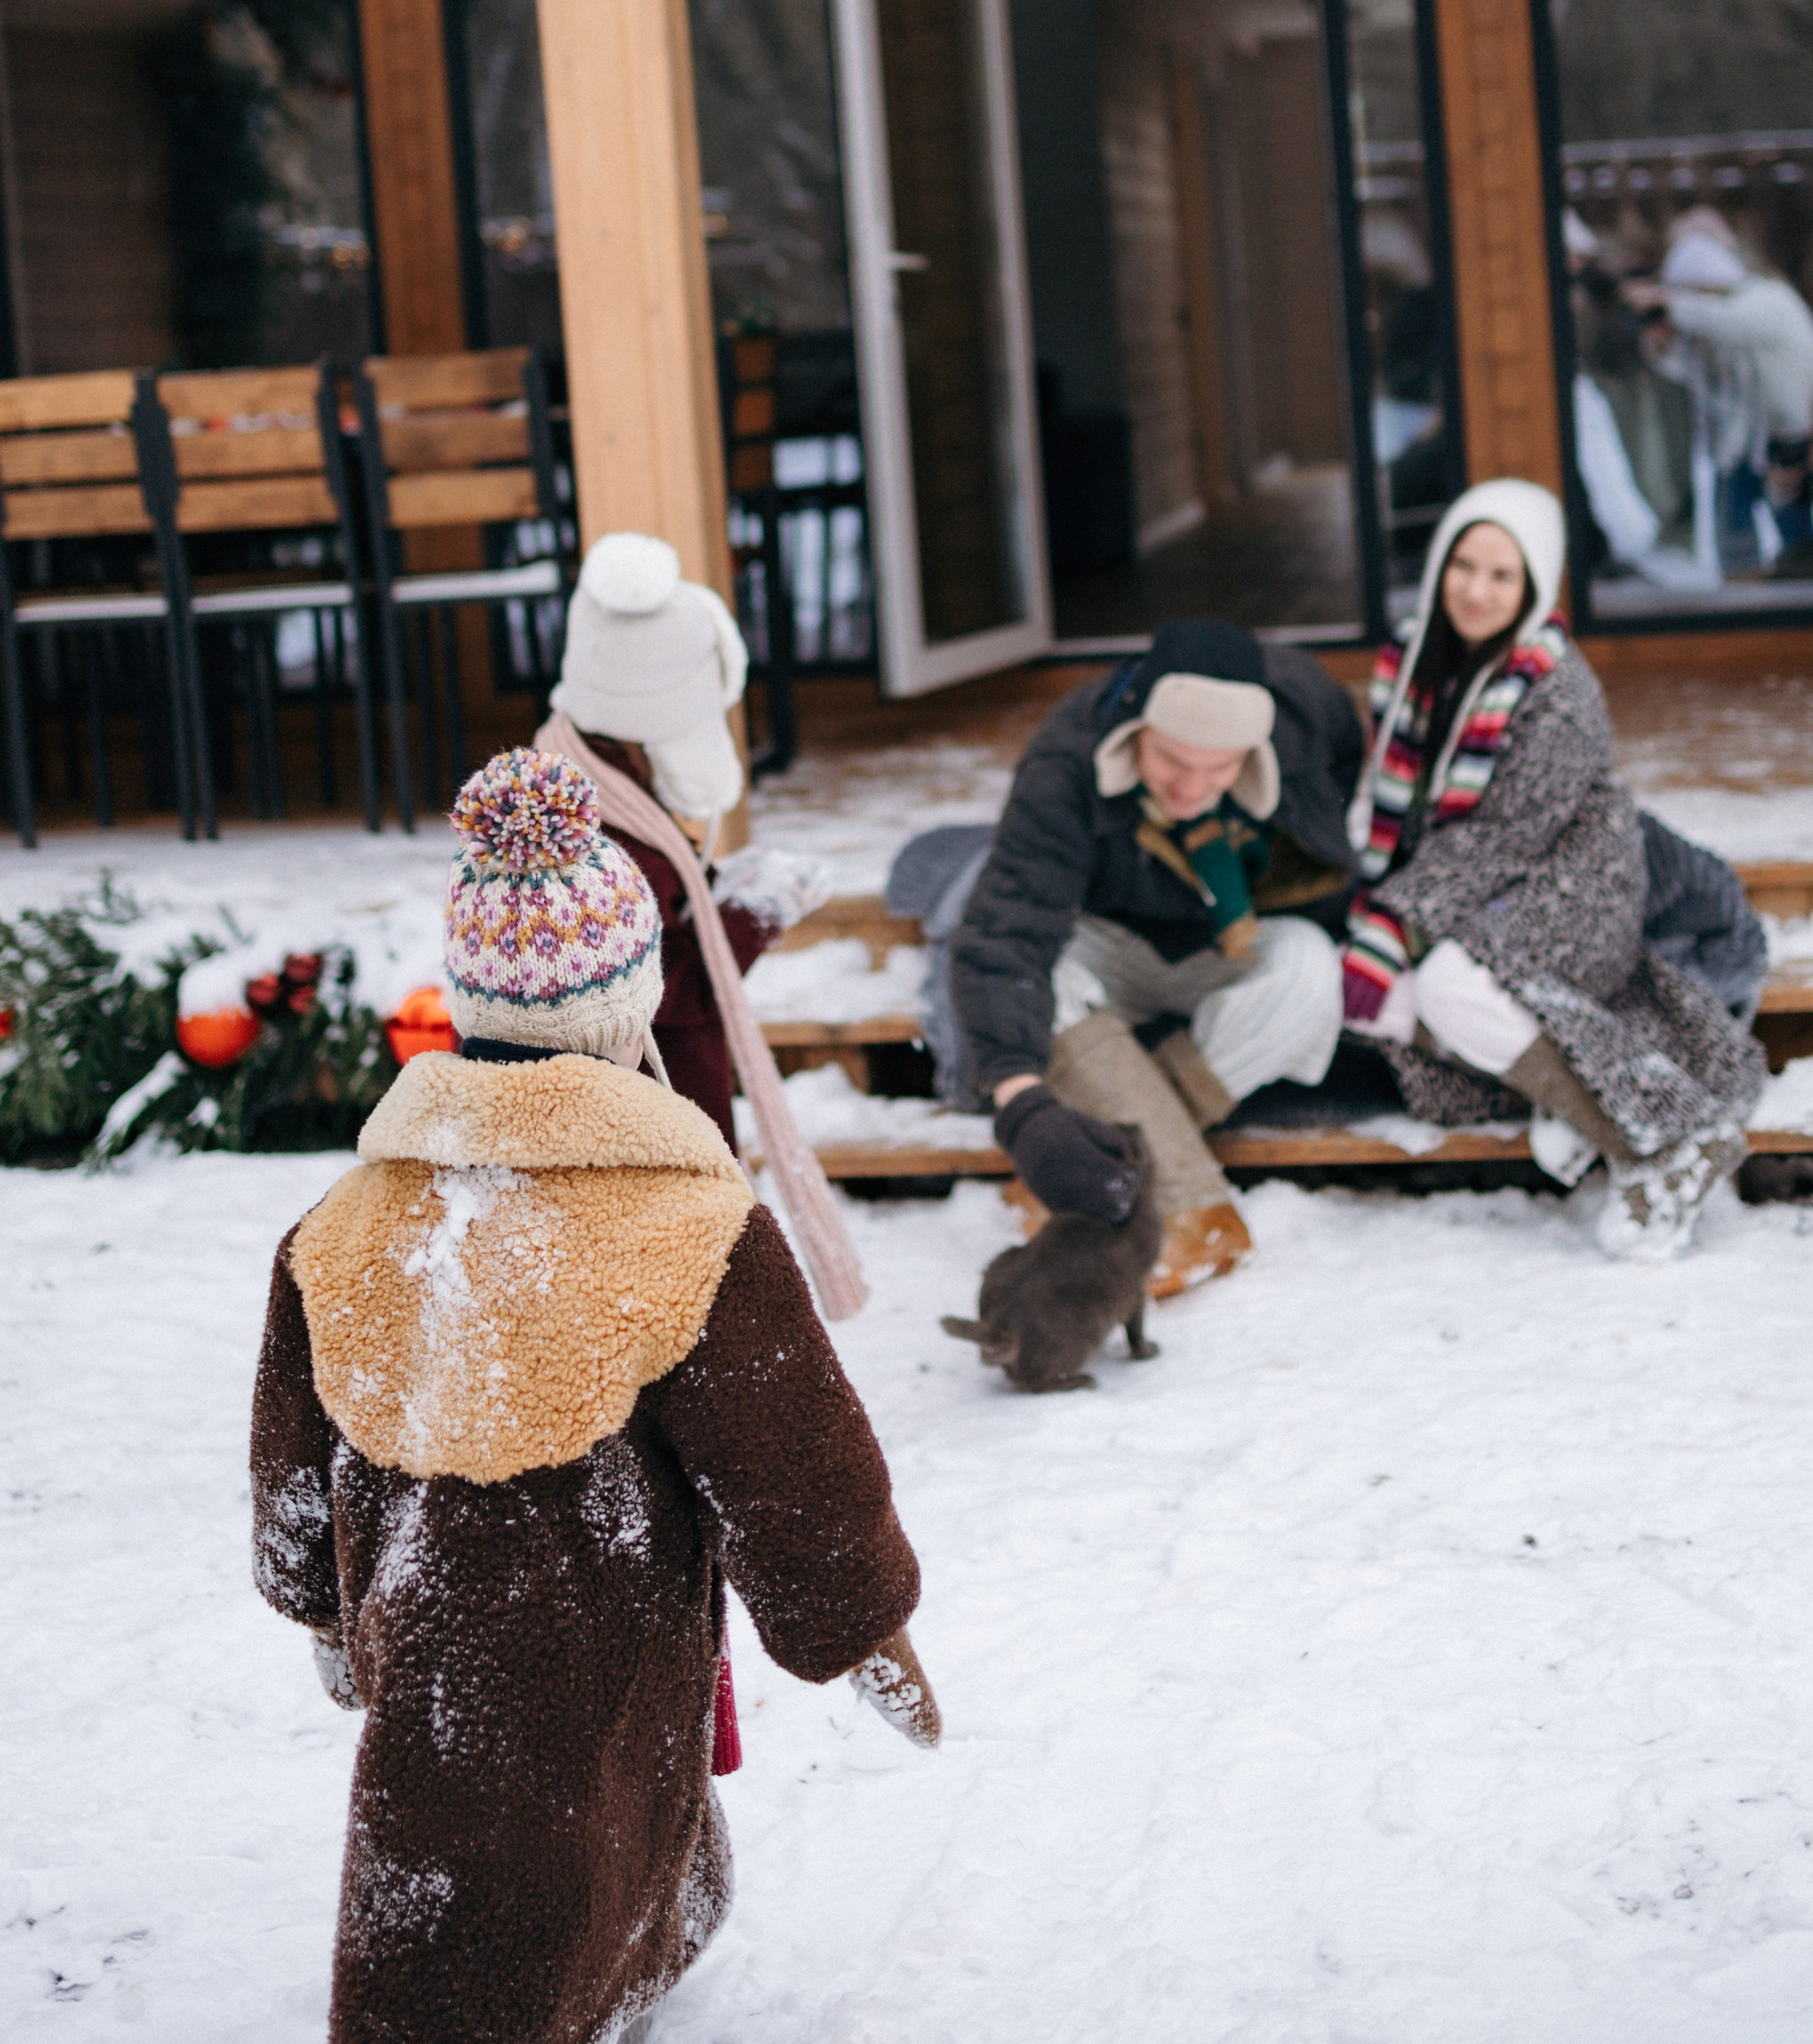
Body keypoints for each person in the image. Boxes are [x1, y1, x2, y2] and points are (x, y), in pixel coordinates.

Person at [250, 748, 936, 2044]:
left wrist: (320, 1603)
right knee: (522, 1853)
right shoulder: (691, 1228)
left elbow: (293, 1432)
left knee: (496, 1810)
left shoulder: (343, 1220)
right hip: (596, 1612)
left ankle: (623, 1962)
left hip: (413, 1601)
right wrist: (864, 1625)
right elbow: (794, 1461)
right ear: (629, 1009)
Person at [1341, 480, 1765, 1261]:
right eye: (1463, 566)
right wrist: (1382, 915)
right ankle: (1572, 1106)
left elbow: (1507, 835)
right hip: (1475, 886)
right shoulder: (1409, 662)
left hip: (1574, 885)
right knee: (1383, 998)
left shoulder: (1557, 689)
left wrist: (1394, 921)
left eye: (1502, 576)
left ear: (1533, 585)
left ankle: (1663, 1139)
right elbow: (1401, 805)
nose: (1476, 590)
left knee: (1443, 986)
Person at [949, 617, 1364, 1298]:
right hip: (1112, 942)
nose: (1193, 787)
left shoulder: (1301, 710)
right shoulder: (1067, 756)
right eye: (1173, 760)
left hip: (1229, 944)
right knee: (1048, 976)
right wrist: (1025, 1108)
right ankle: (1190, 1206)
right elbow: (1005, 934)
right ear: (1136, 730)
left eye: (1220, 768)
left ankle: (1120, 1154)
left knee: (1311, 968)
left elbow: (1346, 756)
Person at [540, 530, 826, 1145]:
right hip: (654, 1130)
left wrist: (716, 885)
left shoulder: (582, 775)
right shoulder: (607, 841)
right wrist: (758, 913)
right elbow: (668, 986)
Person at [1622, 216, 1813, 573]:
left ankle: (1805, 585)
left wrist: (1670, 304)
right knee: (1733, 526)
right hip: (1742, 435)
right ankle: (1742, 589)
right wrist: (1661, 345)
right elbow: (1694, 369)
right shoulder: (1709, 317)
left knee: (1793, 523)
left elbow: (1735, 324)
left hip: (1792, 429)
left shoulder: (1767, 300)